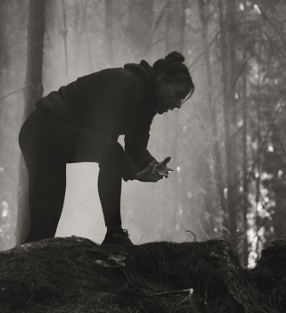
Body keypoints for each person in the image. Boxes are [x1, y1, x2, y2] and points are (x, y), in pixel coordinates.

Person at [19, 51, 195, 246]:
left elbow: (135, 146)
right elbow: (103, 141)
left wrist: (151, 166)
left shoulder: (147, 102)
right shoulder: (127, 84)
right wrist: (134, 172)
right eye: (177, 95)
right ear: (161, 80)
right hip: (43, 132)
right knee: (109, 154)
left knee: (43, 233)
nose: (178, 104)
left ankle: (113, 235)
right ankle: (115, 235)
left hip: (52, 138)